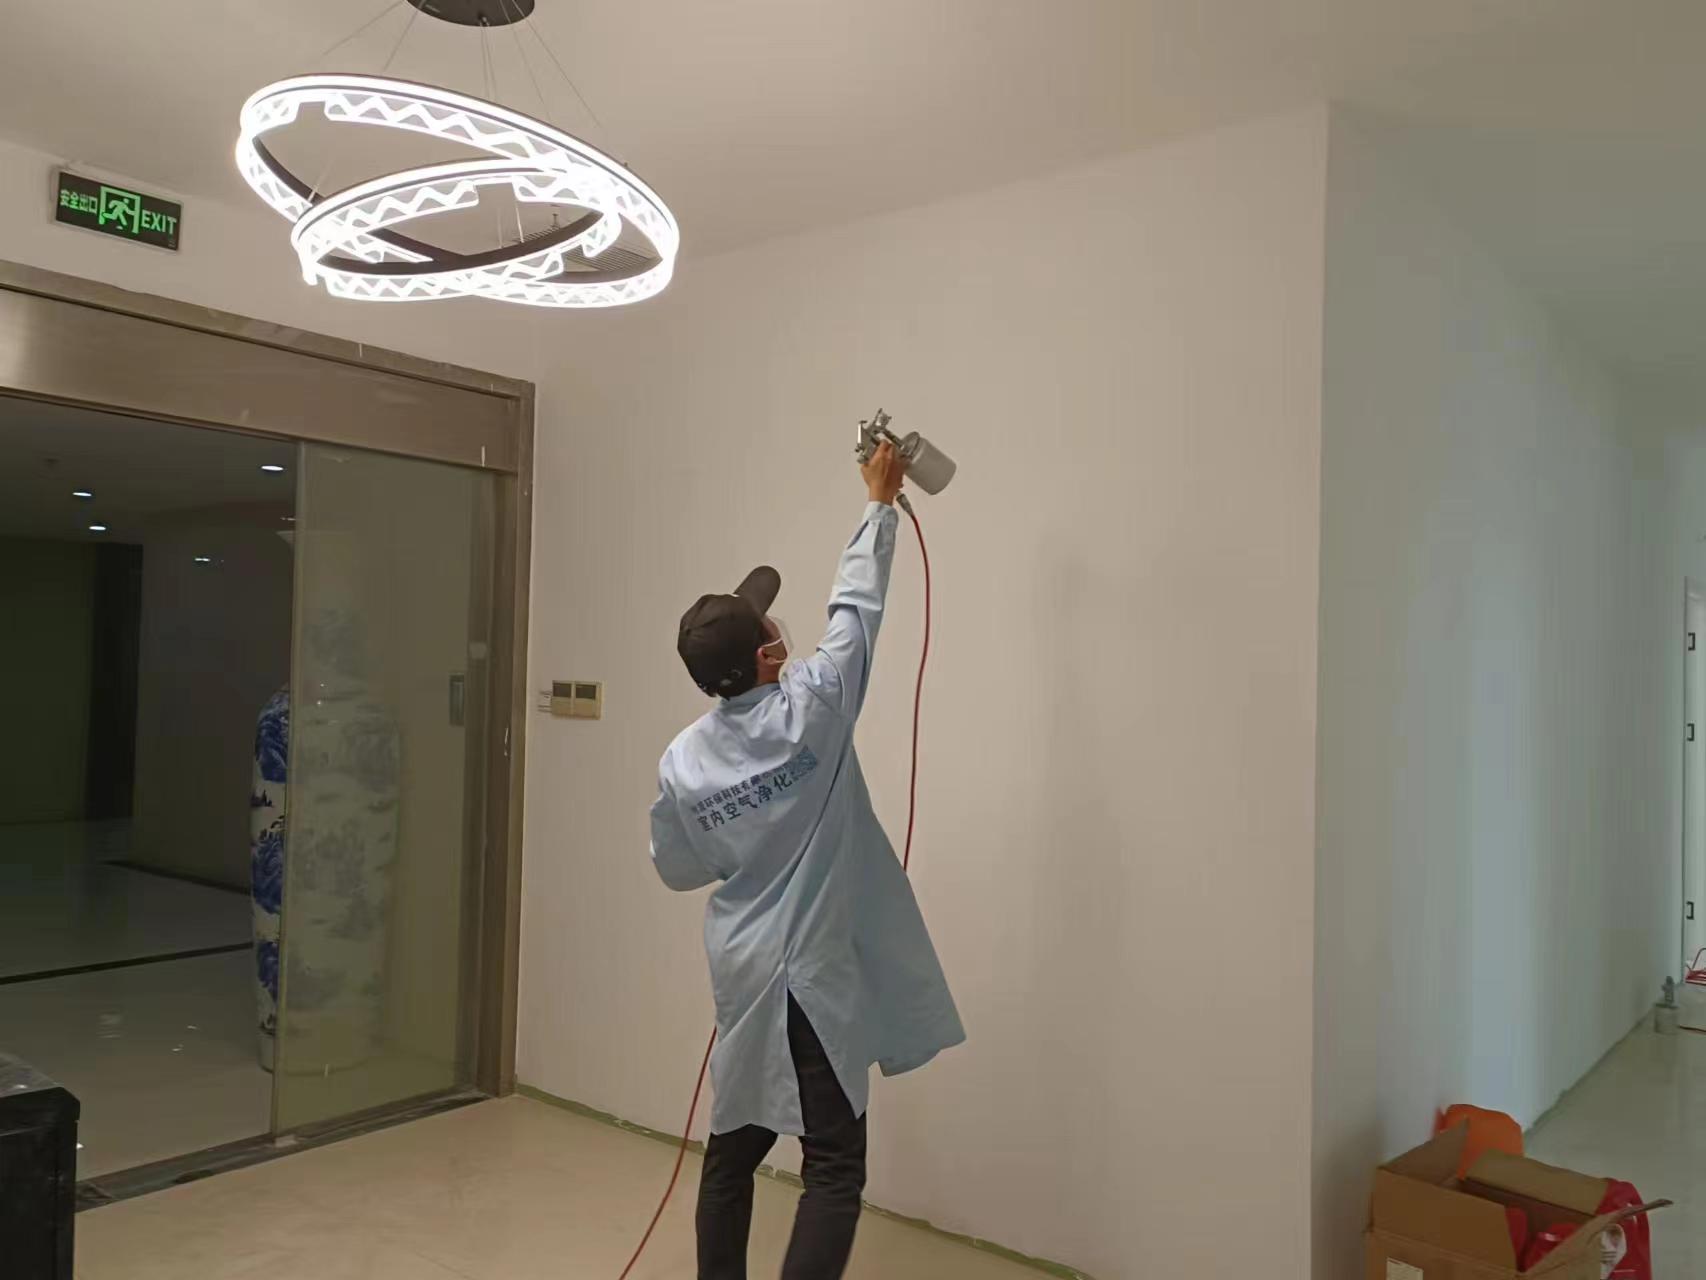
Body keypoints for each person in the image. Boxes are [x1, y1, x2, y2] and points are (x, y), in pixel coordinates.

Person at [650, 441, 965, 1280]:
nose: (777, 625)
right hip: (810, 975)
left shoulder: (683, 760)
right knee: (832, 1167)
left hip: (745, 969)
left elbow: (677, 867)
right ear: (767, 656)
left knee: (732, 1149)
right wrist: (879, 502)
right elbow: (856, 610)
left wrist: (746, 839)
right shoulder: (814, 708)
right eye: (768, 626)